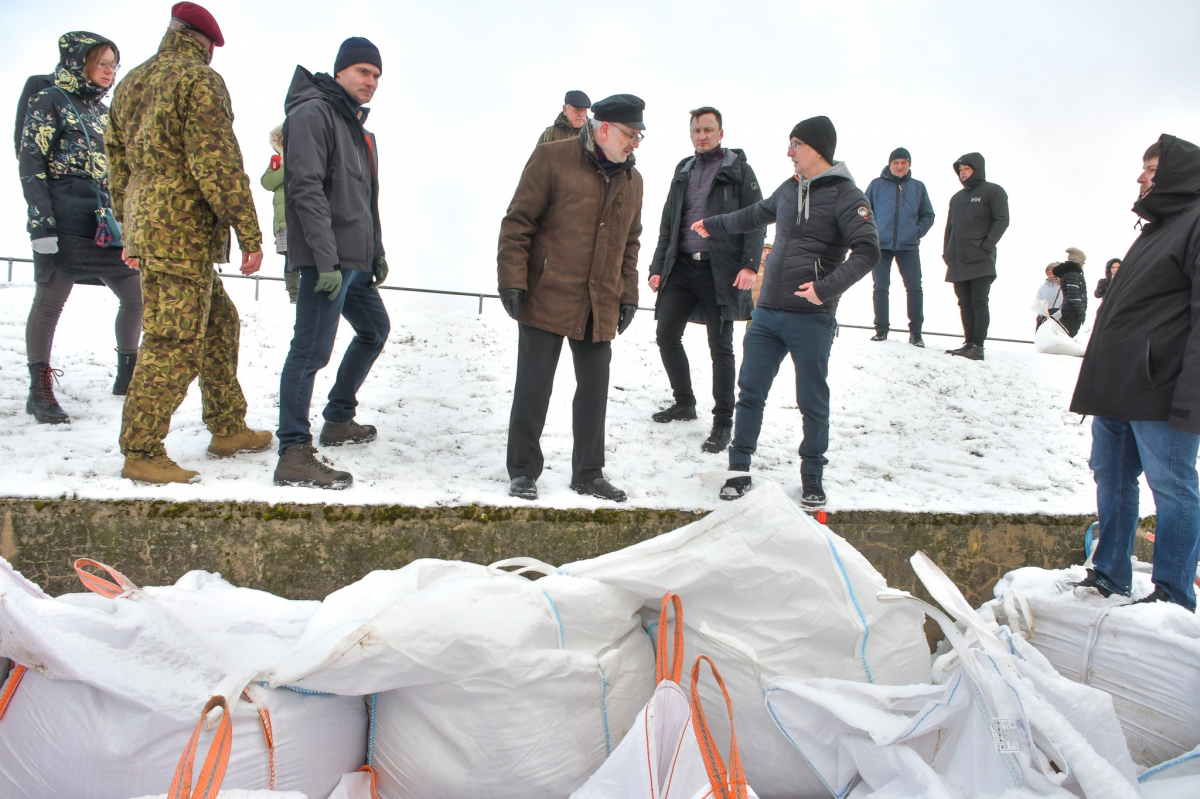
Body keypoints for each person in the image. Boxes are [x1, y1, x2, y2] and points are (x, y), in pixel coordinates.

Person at [107, 2, 271, 484]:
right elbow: (216, 162)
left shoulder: (131, 83)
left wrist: (130, 225)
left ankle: (227, 427)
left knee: (220, 321)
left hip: (151, 224)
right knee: (173, 339)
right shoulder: (199, 80)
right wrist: (249, 231)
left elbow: (117, 167)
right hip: (182, 229)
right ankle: (141, 449)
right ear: (206, 44)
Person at [692, 116, 880, 508]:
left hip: (811, 318)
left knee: (812, 400)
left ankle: (812, 476)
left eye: (795, 144)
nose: (789, 152)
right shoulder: (791, 189)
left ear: (817, 149)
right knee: (750, 393)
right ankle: (738, 469)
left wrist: (824, 290)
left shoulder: (849, 196)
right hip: (767, 315)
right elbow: (753, 214)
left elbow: (868, 252)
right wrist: (713, 224)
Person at [1070, 135, 1200, 612]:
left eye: (1150, 167)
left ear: (1178, 174)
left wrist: (1190, 396)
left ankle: (1172, 593)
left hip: (1160, 388)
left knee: (1173, 487)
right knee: (1112, 478)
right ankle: (1109, 573)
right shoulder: (1152, 229)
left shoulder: (1195, 223)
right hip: (1118, 387)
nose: (1141, 176)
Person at [498, 94, 646, 503]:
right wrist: (511, 279)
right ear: (604, 129)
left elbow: (630, 244)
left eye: (639, 137)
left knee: (594, 389)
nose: (635, 143)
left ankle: (588, 473)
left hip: (599, 302)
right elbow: (518, 222)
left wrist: (627, 294)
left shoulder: (633, 181)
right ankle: (523, 471)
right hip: (547, 294)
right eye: (630, 135)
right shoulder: (551, 158)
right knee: (533, 388)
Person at [274, 37, 390, 490]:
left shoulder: (355, 126)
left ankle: (338, 418)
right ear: (341, 71)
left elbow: (363, 199)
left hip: (356, 261)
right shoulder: (312, 113)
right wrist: (324, 261)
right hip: (329, 261)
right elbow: (305, 188)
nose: (371, 82)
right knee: (310, 351)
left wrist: (376, 251)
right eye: (364, 71)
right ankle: (293, 452)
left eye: (377, 75)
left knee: (373, 330)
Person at [18, 31, 143, 425]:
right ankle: (39, 390)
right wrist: (42, 224)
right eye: (102, 63)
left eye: (113, 64)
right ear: (80, 62)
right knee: (51, 301)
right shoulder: (48, 100)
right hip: (63, 217)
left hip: (104, 223)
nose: (110, 72)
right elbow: (31, 163)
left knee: (135, 295)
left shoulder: (103, 113)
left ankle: (127, 376)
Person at [646, 106, 764, 454]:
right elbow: (669, 221)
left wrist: (749, 265)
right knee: (666, 334)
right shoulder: (683, 169)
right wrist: (657, 265)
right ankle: (684, 403)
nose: (702, 135)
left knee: (721, 346)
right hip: (681, 266)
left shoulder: (738, 170)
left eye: (708, 129)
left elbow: (756, 220)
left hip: (721, 269)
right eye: (697, 130)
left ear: (721, 133)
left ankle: (723, 421)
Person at [865, 147, 934, 347]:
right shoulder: (876, 185)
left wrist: (915, 232)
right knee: (880, 287)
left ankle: (916, 333)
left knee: (914, 287)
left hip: (909, 247)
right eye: (896, 162)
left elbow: (928, 215)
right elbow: (862, 211)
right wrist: (871, 233)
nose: (900, 166)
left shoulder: (918, 187)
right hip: (880, 246)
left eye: (904, 162)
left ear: (909, 165)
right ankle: (881, 330)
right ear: (890, 164)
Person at [942, 152, 1009, 361]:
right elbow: (949, 228)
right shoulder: (957, 198)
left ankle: (978, 346)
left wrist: (986, 246)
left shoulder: (993, 191)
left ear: (977, 169)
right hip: (957, 259)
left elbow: (1002, 220)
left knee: (979, 301)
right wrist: (947, 252)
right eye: (960, 170)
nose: (962, 173)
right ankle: (968, 342)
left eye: (967, 169)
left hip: (980, 259)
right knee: (964, 303)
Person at [260, 124, 298, 303]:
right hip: (284, 219)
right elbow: (267, 183)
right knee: (291, 258)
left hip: (306, 216)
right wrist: (284, 165)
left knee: (310, 256)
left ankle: (307, 292)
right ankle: (294, 294)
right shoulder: (276, 161)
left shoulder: (309, 156)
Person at [1054, 247, 1087, 337]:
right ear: (1077, 260)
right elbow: (1074, 296)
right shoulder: (1073, 274)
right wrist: (1081, 313)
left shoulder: (1070, 274)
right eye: (1082, 260)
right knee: (1070, 335)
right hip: (1072, 310)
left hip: (1069, 308)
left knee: (1067, 334)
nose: (1084, 262)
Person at [1034, 263, 1062, 330]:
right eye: (1048, 270)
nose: (1049, 271)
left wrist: (1056, 316)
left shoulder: (1062, 286)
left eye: (1052, 269)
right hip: (1044, 316)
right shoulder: (1042, 287)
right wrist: (1041, 316)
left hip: (1060, 316)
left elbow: (1065, 303)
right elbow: (1038, 302)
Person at [752, 242, 772, 307]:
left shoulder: (776, 268)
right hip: (754, 305)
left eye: (769, 251)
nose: (767, 253)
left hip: (770, 304)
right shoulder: (754, 267)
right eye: (764, 251)